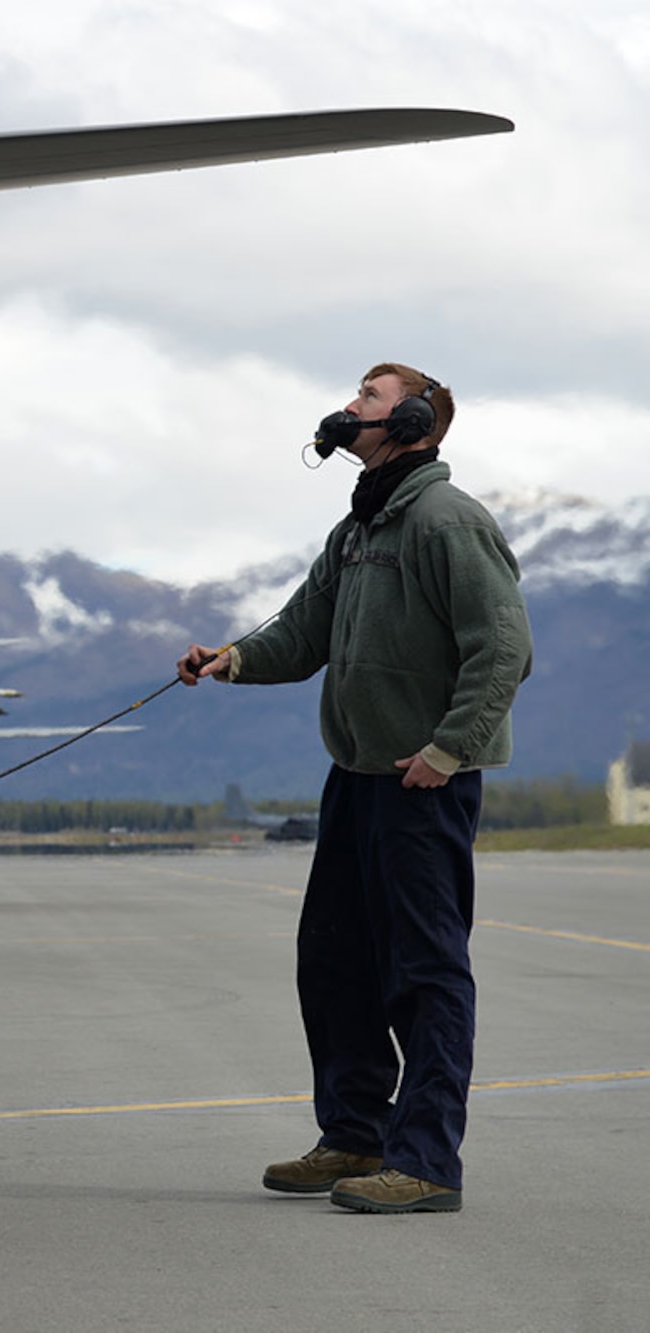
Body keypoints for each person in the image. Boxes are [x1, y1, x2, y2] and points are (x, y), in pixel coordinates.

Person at [179, 363, 532, 1215]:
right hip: (357, 779)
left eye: (366, 399)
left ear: (412, 419)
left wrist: (448, 752)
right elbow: (302, 632)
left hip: (422, 786)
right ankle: (354, 1133)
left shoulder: (448, 521)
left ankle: (426, 1162)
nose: (346, 408)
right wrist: (233, 659)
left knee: (425, 973)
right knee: (333, 961)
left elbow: (504, 648)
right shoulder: (357, 528)